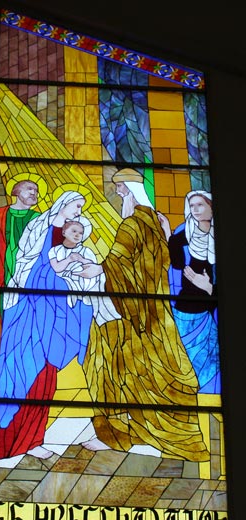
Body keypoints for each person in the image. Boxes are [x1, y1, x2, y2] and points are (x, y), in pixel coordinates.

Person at [75, 168, 210, 462]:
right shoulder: (154, 221)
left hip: (130, 312)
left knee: (109, 365)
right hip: (151, 311)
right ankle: (137, 431)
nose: (120, 195)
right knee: (148, 367)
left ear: (131, 191)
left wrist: (95, 269)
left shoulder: (133, 224)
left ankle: (120, 433)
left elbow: (118, 260)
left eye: (122, 190)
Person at [0, 190, 94, 462]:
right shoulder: (40, 226)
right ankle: (14, 441)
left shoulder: (72, 234)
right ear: (64, 203)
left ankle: (34, 439)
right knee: (22, 372)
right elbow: (28, 265)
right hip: (30, 310)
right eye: (77, 206)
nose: (79, 212)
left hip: (57, 310)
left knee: (46, 376)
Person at [0, 179, 40, 422]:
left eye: (35, 190)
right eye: (29, 189)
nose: (34, 193)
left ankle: (16, 408)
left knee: (18, 344)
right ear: (15, 192)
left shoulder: (40, 220)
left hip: (27, 292)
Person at [157, 190, 220, 394]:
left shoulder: (222, 237)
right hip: (185, 308)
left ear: (211, 206)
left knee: (207, 365)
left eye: (199, 205)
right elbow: (176, 261)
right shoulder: (187, 231)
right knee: (180, 359)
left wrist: (208, 287)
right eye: (191, 205)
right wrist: (167, 230)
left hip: (209, 310)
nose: (194, 209)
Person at [48, 218, 122, 325]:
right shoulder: (54, 250)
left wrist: (81, 259)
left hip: (86, 281)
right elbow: (56, 268)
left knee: (101, 280)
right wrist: (70, 259)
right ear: (64, 232)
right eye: (74, 231)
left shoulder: (85, 251)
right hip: (65, 281)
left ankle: (106, 317)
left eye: (81, 233)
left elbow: (92, 267)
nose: (78, 235)